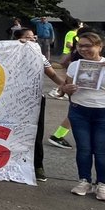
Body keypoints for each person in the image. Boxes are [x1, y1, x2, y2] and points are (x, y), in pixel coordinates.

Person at [61, 30, 105, 202]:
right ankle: (84, 181)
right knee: (83, 149)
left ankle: (102, 184)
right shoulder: (74, 65)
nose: (83, 49)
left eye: (88, 46)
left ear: (100, 46)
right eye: (80, 46)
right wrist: (65, 89)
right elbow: (65, 88)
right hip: (79, 112)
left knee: (101, 151)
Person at [16, 27, 68, 183]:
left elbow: (51, 73)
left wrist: (63, 86)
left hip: (35, 99)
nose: (32, 40)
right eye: (27, 37)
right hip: (13, 99)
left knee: (36, 133)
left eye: (33, 37)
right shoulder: (8, 54)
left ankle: (37, 166)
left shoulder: (39, 56)